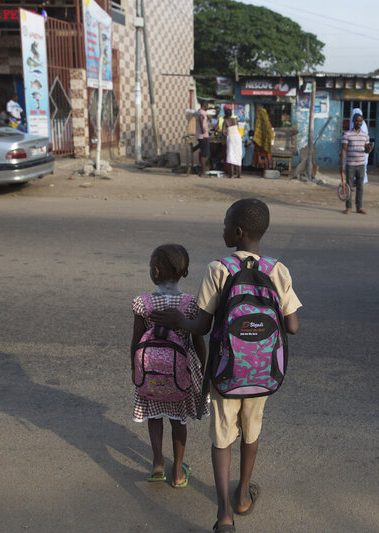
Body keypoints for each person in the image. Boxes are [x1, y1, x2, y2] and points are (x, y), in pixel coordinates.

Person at [150, 199, 301, 533]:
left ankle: (224, 517)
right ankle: (243, 496)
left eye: (224, 224)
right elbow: (292, 327)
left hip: (225, 370)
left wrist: (178, 319)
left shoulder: (220, 269)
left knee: (222, 437)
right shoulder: (278, 270)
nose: (222, 229)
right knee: (252, 431)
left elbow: (202, 326)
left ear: (237, 232)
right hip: (262, 372)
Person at [130, 244, 209, 487]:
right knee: (178, 421)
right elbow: (198, 341)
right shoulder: (189, 304)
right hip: (179, 375)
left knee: (154, 416)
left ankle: (157, 464)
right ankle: (177, 471)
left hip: (150, 373)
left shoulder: (143, 303)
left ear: (155, 271)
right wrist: (205, 370)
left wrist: (135, 369)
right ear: (184, 273)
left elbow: (135, 341)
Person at [341, 113, 372, 215]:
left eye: (360, 121)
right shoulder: (347, 134)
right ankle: (348, 207)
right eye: (357, 120)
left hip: (361, 165)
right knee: (349, 187)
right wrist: (342, 164)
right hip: (350, 164)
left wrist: (368, 148)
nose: (358, 123)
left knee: (360, 186)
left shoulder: (365, 135)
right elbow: (344, 150)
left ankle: (359, 207)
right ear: (353, 122)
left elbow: (366, 151)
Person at [347, 108, 371, 185]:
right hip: (357, 150)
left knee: (358, 166)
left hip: (359, 149)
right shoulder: (361, 124)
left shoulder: (359, 125)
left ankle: (358, 181)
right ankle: (359, 181)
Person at [223, 107, 242, 179]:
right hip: (237, 137)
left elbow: (223, 131)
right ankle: (239, 174)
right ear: (231, 114)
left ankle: (232, 175)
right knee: (238, 154)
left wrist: (227, 135)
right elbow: (238, 128)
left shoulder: (225, 121)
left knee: (231, 155)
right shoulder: (235, 119)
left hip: (230, 138)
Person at [196, 101, 211, 175]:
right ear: (204, 105)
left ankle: (203, 170)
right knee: (204, 155)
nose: (208, 107)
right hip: (203, 135)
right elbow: (201, 119)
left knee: (204, 154)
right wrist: (202, 130)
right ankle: (203, 172)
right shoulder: (202, 113)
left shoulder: (199, 111)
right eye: (207, 106)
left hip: (201, 135)